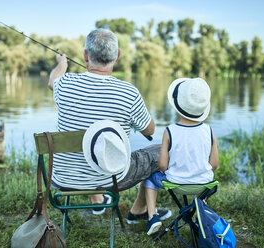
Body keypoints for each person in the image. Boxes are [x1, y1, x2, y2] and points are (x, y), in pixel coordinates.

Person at [47, 28, 171, 221]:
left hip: (63, 179)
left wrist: (62, 63)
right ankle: (138, 210)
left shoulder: (65, 84)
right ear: (117, 56)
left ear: (85, 55)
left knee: (89, 148)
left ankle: (101, 201)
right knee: (161, 150)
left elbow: (52, 81)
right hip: (112, 178)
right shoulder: (129, 92)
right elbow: (150, 129)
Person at [143, 78, 219, 235]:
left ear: (178, 106)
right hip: (203, 185)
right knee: (204, 176)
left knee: (149, 178)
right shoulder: (209, 130)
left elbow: (162, 165)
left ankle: (153, 217)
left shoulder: (170, 131)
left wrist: (168, 169)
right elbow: (214, 164)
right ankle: (200, 213)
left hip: (175, 184)